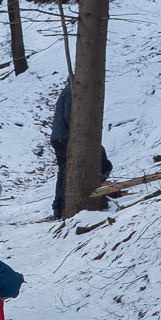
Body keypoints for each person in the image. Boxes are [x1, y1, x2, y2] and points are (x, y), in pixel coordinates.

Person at [50, 78, 113, 218]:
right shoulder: (72, 92)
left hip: (62, 136)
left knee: (64, 170)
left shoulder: (69, 91)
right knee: (67, 170)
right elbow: (71, 117)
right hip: (65, 137)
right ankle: (61, 206)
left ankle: (59, 206)